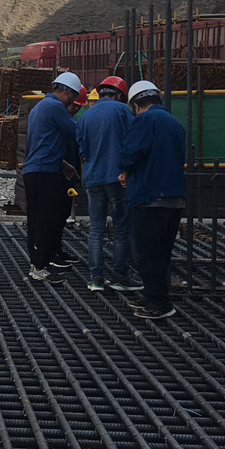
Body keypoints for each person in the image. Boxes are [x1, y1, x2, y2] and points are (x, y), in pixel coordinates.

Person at [119, 80, 187, 320]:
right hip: (174, 198)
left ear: (136, 106)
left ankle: (159, 304)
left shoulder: (145, 120)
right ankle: (155, 297)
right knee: (161, 253)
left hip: (150, 197)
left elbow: (130, 152)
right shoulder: (175, 123)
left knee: (146, 254)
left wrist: (124, 171)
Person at [77, 75, 137, 292]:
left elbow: (82, 151)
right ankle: (121, 277)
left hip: (92, 178)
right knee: (120, 228)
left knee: (96, 229)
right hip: (117, 178)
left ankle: (96, 279)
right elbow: (133, 141)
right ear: (120, 95)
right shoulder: (123, 111)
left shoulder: (86, 116)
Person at [23, 72, 82, 283]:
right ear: (68, 92)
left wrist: (64, 164)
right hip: (45, 173)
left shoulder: (39, 107)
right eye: (73, 96)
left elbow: (43, 143)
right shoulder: (56, 107)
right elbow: (76, 132)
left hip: (34, 170)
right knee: (45, 220)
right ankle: (39, 267)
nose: (72, 101)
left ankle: (37, 263)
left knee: (36, 219)